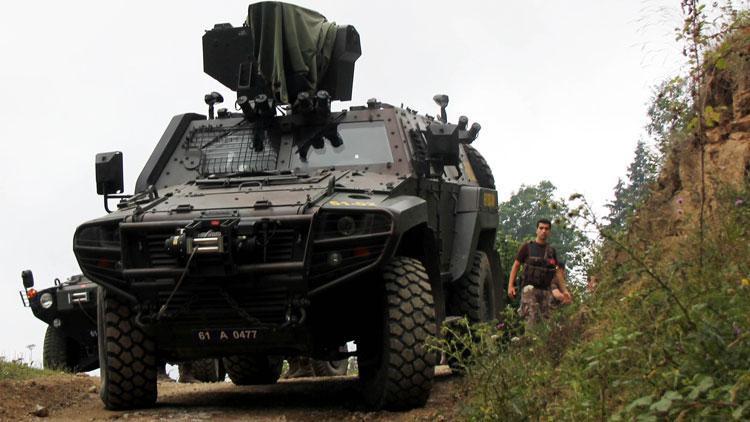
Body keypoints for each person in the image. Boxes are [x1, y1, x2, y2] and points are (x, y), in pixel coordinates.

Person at [507, 219, 571, 326]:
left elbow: (558, 272)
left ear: (549, 232)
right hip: (529, 290)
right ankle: (529, 342)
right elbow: (516, 265)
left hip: (545, 291)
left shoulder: (551, 251)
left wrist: (565, 291)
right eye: (541, 228)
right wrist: (510, 286)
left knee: (546, 324)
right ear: (536, 230)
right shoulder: (527, 247)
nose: (543, 231)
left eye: (546, 229)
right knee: (530, 321)